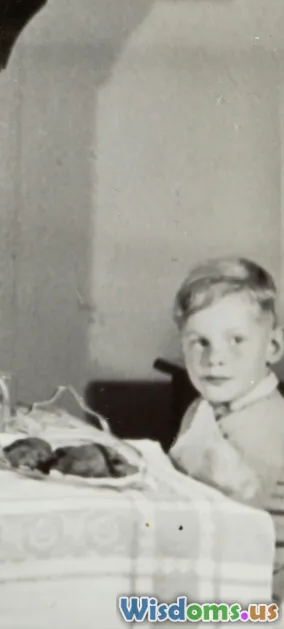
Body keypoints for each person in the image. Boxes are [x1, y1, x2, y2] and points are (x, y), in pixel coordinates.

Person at [168, 258, 284, 602]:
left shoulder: (270, 423)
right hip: (221, 576)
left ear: (273, 347)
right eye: (199, 342)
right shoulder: (200, 409)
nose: (215, 358)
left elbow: (229, 530)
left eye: (236, 340)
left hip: (266, 600)